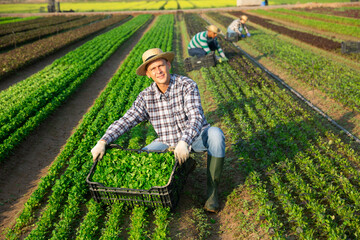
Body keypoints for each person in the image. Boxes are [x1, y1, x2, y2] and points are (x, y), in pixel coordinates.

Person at [91, 48, 226, 213]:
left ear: (168, 65)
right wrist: (103, 141)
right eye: (153, 69)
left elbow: (196, 117)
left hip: (195, 137)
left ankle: (212, 194)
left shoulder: (186, 85)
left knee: (216, 135)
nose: (158, 71)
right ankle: (183, 166)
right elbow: (126, 120)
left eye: (160, 66)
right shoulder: (145, 97)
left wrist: (184, 141)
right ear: (148, 74)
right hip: (167, 142)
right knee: (142, 161)